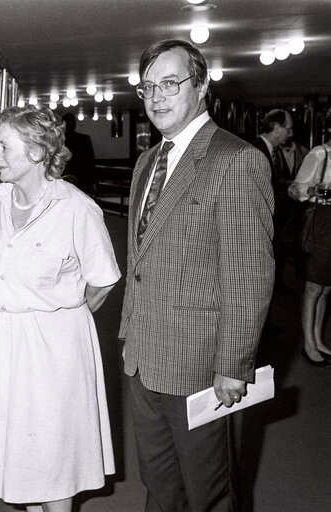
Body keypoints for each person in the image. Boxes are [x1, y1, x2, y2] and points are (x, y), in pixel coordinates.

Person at [120, 40, 274, 511]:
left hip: (202, 367)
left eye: (170, 83)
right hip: (144, 360)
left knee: (209, 494)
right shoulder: (148, 161)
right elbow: (140, 260)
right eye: (148, 87)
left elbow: (249, 275)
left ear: (202, 85)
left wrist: (233, 365)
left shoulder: (236, 160)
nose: (156, 97)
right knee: (160, 484)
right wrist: (128, 333)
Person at [0, 105, 121, 512]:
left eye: (4, 147)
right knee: (22, 454)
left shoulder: (76, 208)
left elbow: (104, 279)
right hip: (3, 339)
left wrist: (64, 316)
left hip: (54, 347)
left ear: (37, 153)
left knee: (54, 458)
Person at [288, 117, 331, 367]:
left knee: (326, 287)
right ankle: (308, 345)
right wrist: (314, 190)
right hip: (321, 223)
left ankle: (318, 339)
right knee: (314, 287)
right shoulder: (320, 154)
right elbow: (294, 189)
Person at [253, 109, 293, 287]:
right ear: (277, 128)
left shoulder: (276, 153)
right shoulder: (254, 150)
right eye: (288, 129)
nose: (290, 133)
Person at [61, 111, 97, 194]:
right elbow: (91, 162)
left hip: (67, 178)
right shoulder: (84, 139)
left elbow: (90, 162)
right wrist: (92, 182)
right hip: (82, 178)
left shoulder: (60, 140)